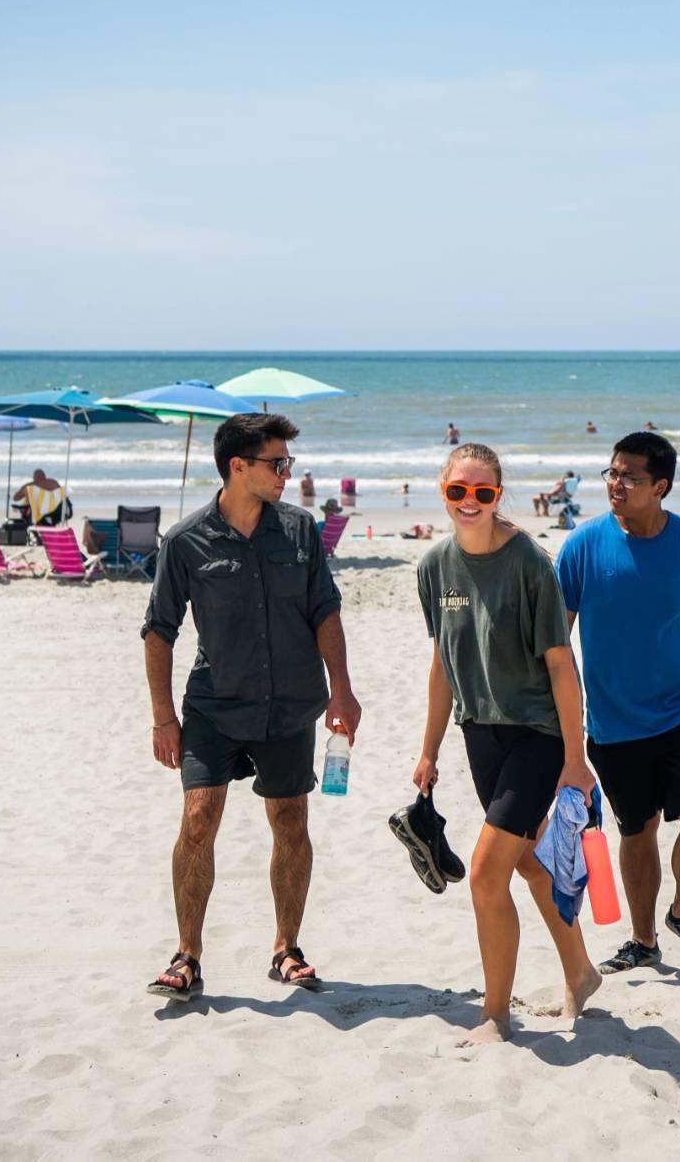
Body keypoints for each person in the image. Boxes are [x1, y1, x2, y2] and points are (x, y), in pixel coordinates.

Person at [141, 412, 360, 1003]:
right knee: (197, 819)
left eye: (288, 462)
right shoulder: (186, 541)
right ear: (238, 467)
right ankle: (187, 954)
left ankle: (286, 948)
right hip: (214, 706)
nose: (288, 472)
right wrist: (164, 718)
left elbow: (325, 611)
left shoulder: (300, 531)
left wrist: (342, 688)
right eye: (277, 463)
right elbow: (158, 631)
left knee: (290, 822)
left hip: (290, 706)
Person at [413, 443, 602, 1045]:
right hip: (479, 733)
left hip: (538, 736)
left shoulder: (529, 563)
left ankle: (494, 1015)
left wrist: (575, 758)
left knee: (485, 875)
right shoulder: (432, 568)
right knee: (526, 859)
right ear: (443, 492)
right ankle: (580, 970)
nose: (470, 502)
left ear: (498, 496)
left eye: (483, 493)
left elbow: (561, 666)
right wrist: (429, 750)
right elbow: (443, 663)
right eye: (458, 492)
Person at [557, 432, 680, 976]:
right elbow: (557, 641)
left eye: (630, 477)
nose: (616, 484)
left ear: (661, 486)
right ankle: (643, 940)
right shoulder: (582, 546)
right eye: (612, 473)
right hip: (615, 719)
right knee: (636, 829)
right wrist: (560, 721)